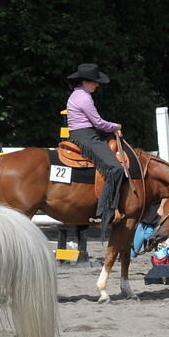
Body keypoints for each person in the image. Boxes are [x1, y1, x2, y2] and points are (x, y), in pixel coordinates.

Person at [65, 63, 123, 228]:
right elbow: (98, 123)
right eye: (94, 82)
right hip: (86, 136)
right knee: (115, 168)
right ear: (84, 82)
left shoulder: (76, 95)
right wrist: (116, 126)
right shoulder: (84, 97)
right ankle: (104, 211)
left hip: (79, 134)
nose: (97, 85)